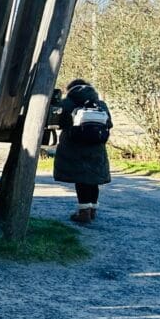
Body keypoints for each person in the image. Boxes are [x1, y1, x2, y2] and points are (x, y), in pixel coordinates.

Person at [52, 79, 113, 224]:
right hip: (96, 147)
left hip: (74, 147)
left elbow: (58, 122)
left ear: (71, 89)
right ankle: (92, 210)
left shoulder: (68, 103)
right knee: (93, 180)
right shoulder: (100, 104)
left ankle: (83, 212)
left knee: (81, 180)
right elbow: (109, 123)